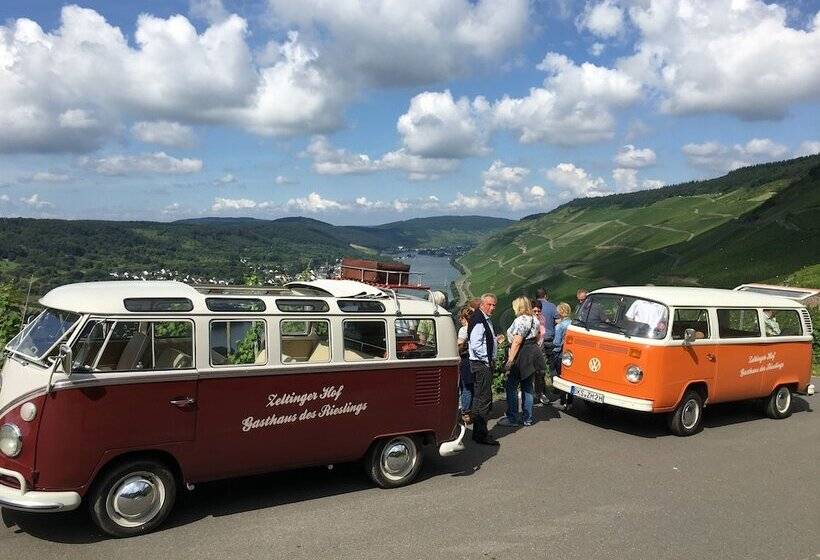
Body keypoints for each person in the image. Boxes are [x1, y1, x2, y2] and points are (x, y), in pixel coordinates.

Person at [497, 296, 541, 427]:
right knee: (527, 387)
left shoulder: (520, 321)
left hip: (520, 356)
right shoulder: (535, 320)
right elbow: (537, 337)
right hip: (532, 354)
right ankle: (528, 418)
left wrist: (510, 360)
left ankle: (512, 417)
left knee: (511, 386)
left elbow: (517, 341)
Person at [467, 293, 501, 446]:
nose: (492, 308)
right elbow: (475, 344)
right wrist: (487, 359)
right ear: (481, 304)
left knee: (479, 396)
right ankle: (481, 434)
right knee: (484, 398)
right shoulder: (479, 319)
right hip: (481, 364)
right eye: (489, 304)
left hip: (480, 363)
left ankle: (476, 431)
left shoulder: (481, 317)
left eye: (494, 305)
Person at [535, 288, 558, 404]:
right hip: (550, 338)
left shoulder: (535, 307)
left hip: (538, 341)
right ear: (546, 295)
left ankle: (542, 391)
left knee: (540, 368)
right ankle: (557, 388)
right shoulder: (552, 306)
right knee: (552, 365)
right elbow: (558, 321)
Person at [552, 302, 574, 410]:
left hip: (560, 353)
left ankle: (562, 401)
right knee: (570, 378)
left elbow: (556, 342)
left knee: (560, 376)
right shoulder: (573, 324)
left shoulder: (559, 326)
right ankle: (570, 402)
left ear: (561, 312)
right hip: (570, 354)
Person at [456, 306, 474, 424]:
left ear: (464, 318)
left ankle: (465, 411)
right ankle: (470, 410)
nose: (459, 320)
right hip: (473, 359)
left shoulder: (463, 330)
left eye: (460, 318)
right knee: (471, 386)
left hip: (465, 359)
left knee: (465, 387)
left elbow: (459, 345)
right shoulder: (475, 327)